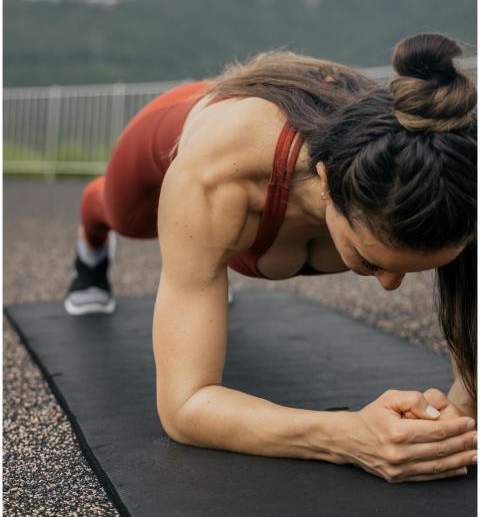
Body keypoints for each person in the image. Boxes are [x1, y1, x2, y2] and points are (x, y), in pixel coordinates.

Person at [64, 32, 477, 483]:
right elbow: (184, 408)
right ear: (325, 182)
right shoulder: (215, 177)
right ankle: (92, 240)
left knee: (207, 267)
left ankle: (209, 276)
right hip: (175, 127)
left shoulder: (451, 181)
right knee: (123, 215)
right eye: (371, 259)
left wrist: (453, 419)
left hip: (265, 196)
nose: (389, 284)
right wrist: (347, 436)